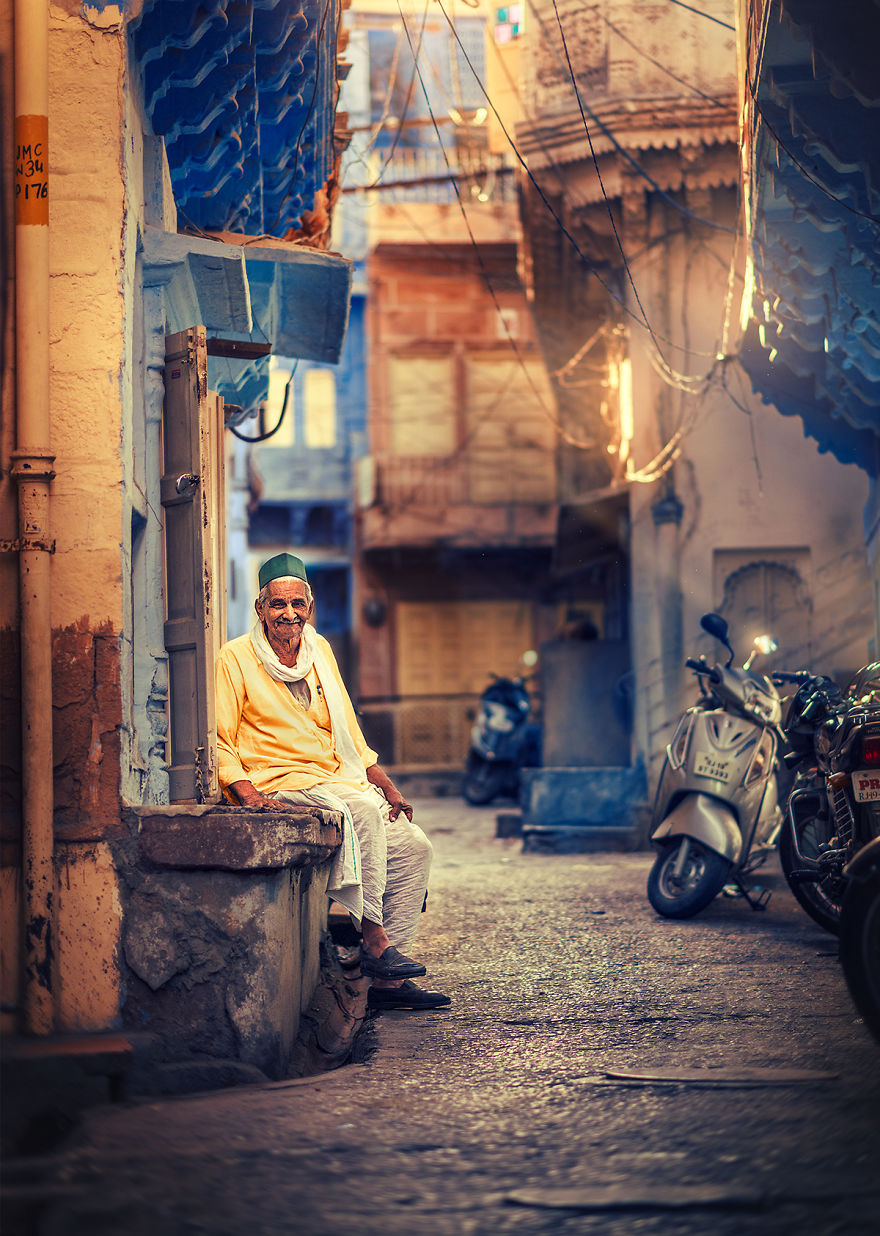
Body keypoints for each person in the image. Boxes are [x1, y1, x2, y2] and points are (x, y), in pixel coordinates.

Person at [215, 552, 450, 1012]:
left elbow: (349, 733)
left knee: (414, 845)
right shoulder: (234, 658)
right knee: (359, 812)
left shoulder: (319, 651)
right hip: (278, 779)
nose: (289, 614)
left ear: (310, 607)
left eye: (297, 604)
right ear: (260, 609)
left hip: (334, 777)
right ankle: (375, 942)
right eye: (278, 604)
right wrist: (247, 794)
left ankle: (387, 986)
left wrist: (385, 782)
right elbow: (221, 738)